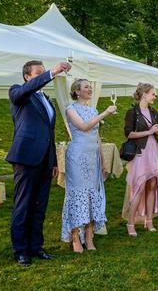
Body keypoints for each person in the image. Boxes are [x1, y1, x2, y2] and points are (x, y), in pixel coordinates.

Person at [7, 60, 70, 266]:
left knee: (39, 206)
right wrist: (52, 72)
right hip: (26, 158)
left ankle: (36, 246)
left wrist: (52, 161)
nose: (43, 75)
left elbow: (48, 134)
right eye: (38, 73)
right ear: (27, 76)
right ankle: (21, 250)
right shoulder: (18, 93)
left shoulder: (46, 100)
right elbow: (26, 90)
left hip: (44, 161)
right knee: (23, 205)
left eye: (44, 72)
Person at [61, 79, 116, 253]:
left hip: (93, 157)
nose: (90, 89)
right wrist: (105, 113)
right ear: (77, 91)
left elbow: (97, 136)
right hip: (77, 156)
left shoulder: (93, 110)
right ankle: (76, 236)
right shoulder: (71, 109)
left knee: (92, 195)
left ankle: (89, 235)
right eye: (86, 87)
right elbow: (84, 127)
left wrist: (103, 160)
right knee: (78, 195)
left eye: (90, 86)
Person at [122, 83, 158, 237]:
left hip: (154, 150)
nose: (155, 97)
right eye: (153, 94)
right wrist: (149, 131)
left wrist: (157, 130)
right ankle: (131, 223)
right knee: (139, 186)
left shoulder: (154, 112)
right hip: (140, 153)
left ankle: (149, 221)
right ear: (144, 94)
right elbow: (129, 134)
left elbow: (154, 132)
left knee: (153, 185)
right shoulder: (132, 112)